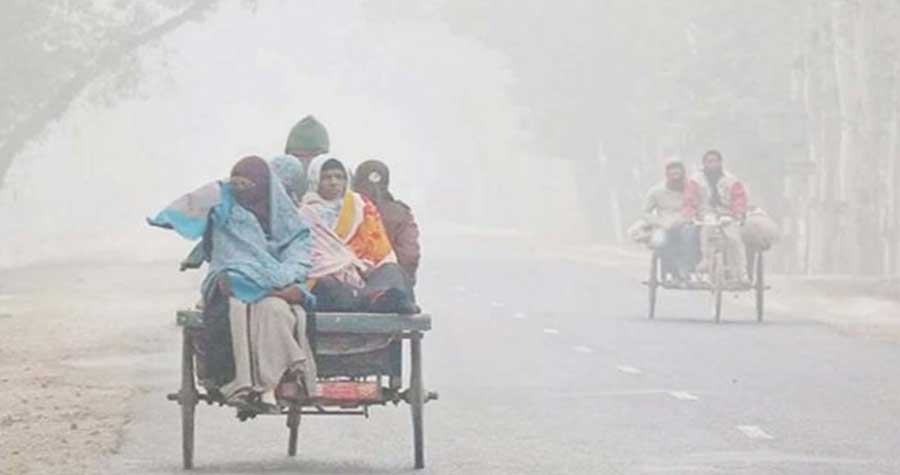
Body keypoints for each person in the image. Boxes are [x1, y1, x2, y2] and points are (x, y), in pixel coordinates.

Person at [149, 156, 317, 412]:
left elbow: (298, 255)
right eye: (235, 184)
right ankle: (241, 385)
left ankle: (269, 385)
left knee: (276, 311)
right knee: (236, 310)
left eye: (246, 185)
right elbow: (201, 218)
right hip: (234, 281)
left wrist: (282, 280)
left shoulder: (287, 218)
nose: (240, 190)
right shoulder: (225, 210)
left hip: (276, 287)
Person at [301, 157, 417, 313]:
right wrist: (339, 264)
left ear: (347, 181)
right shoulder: (305, 214)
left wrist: (360, 265)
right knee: (326, 285)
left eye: (339, 177)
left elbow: (378, 250)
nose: (334, 182)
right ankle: (371, 299)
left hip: (362, 275)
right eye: (327, 177)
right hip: (326, 279)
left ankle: (373, 297)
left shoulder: (360, 206)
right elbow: (308, 256)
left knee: (392, 270)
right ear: (315, 180)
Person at [352, 160, 421, 294]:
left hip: (351, 286)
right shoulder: (401, 213)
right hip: (392, 288)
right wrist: (405, 280)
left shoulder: (346, 210)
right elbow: (409, 255)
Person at [639, 161, 701, 283]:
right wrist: (660, 222)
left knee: (692, 235)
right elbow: (644, 213)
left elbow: (700, 206)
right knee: (661, 241)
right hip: (664, 225)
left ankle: (688, 269)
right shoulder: (656, 191)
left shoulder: (691, 190)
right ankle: (671, 271)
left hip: (687, 225)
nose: (675, 178)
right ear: (667, 175)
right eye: (672, 174)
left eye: (678, 174)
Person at [693, 150, 749, 283]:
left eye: (715, 161)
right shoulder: (695, 180)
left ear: (720, 163)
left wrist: (738, 212)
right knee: (705, 236)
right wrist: (691, 214)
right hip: (705, 215)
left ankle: (741, 274)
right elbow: (689, 199)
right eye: (709, 161)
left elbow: (739, 198)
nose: (712, 164)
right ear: (704, 163)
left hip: (727, 214)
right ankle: (705, 268)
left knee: (734, 239)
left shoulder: (732, 180)